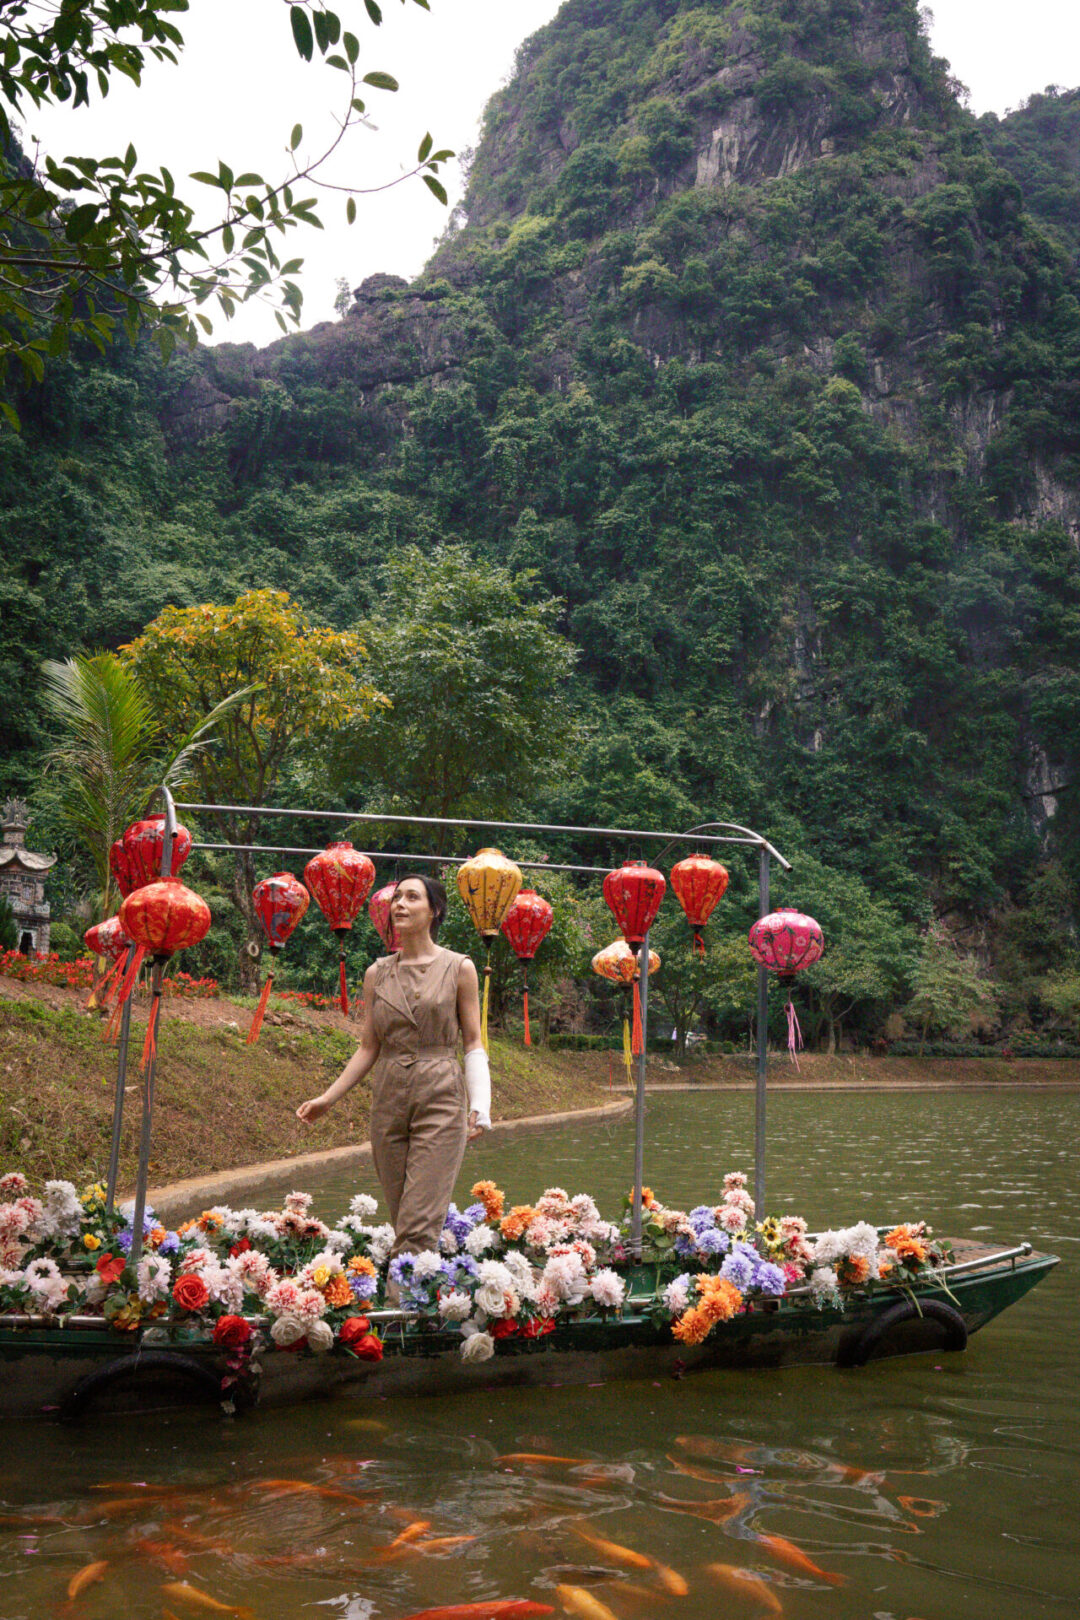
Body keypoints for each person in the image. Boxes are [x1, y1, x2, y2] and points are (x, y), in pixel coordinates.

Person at [295, 874, 489, 1260]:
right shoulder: (376, 974)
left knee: (418, 1226)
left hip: (440, 1094)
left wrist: (480, 1106)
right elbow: (369, 1047)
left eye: (411, 897)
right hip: (389, 1099)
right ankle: (427, 1294)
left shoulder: (459, 968)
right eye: (396, 897)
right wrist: (328, 1098)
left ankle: (402, 1312)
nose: (399, 904)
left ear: (434, 910)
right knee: (405, 1217)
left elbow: (472, 1042)